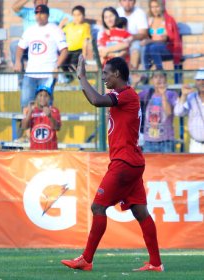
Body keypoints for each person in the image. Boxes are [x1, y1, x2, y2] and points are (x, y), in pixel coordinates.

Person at [61, 55, 163, 272]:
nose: (104, 77)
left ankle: (86, 260)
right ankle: (156, 263)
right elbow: (96, 98)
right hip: (131, 161)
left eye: (106, 73)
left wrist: (81, 77)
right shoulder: (123, 95)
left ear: (117, 74)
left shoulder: (126, 95)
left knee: (98, 206)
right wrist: (84, 83)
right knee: (140, 212)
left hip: (124, 162)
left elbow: (97, 101)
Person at [14, 4, 68, 111]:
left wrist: (57, 67)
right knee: (26, 105)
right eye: (37, 13)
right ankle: (29, 128)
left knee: (45, 106)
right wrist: (17, 62)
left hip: (47, 74)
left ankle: (45, 127)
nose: (39, 16)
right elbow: (20, 47)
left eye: (42, 13)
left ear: (47, 15)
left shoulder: (55, 30)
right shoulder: (30, 30)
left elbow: (64, 50)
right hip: (30, 73)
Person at [11, 0, 72, 70]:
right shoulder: (28, 12)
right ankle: (20, 77)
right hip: (30, 45)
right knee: (14, 46)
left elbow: (71, 19)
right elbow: (15, 7)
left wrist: (60, 26)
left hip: (50, 45)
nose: (42, 1)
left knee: (62, 46)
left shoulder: (54, 12)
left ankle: (60, 74)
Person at [139, 71, 178, 152]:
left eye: (161, 77)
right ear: (152, 80)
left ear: (166, 79)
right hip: (148, 141)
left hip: (166, 141)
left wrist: (163, 94)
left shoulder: (171, 94)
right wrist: (135, 82)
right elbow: (129, 96)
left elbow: (168, 112)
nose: (158, 79)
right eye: (156, 77)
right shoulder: (147, 93)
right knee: (149, 164)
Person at [141, 0, 182, 70]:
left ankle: (160, 72)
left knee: (153, 48)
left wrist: (150, 41)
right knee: (145, 48)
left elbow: (164, 39)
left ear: (162, 7)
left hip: (168, 48)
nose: (154, 10)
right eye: (152, 7)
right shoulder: (149, 20)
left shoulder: (167, 20)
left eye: (157, 7)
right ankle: (146, 75)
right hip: (151, 48)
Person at [21, 85, 61, 150]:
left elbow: (57, 127)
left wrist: (50, 116)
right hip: (35, 152)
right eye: (40, 95)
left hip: (50, 151)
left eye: (46, 96)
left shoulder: (54, 110)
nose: (43, 98)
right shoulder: (31, 110)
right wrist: (29, 112)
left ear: (49, 98)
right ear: (36, 97)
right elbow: (24, 127)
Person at [174, 69, 204, 153]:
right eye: (199, 80)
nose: (202, 82)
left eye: (203, 80)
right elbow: (178, 112)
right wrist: (183, 95)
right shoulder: (190, 97)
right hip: (196, 145)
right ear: (195, 82)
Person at [61, 5, 91, 82]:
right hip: (68, 50)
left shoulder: (85, 26)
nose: (76, 17)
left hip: (78, 50)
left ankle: (81, 79)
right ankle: (69, 77)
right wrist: (61, 25)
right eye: (74, 15)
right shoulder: (69, 26)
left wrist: (84, 53)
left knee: (74, 64)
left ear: (83, 16)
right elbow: (59, 32)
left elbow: (85, 40)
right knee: (62, 63)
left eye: (79, 15)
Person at [117, 0, 148, 71]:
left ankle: (132, 77)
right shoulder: (117, 12)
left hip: (135, 41)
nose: (127, 3)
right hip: (117, 40)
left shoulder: (140, 13)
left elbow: (143, 33)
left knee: (135, 50)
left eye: (130, 0)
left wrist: (131, 38)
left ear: (134, 2)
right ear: (120, 2)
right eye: (124, 1)